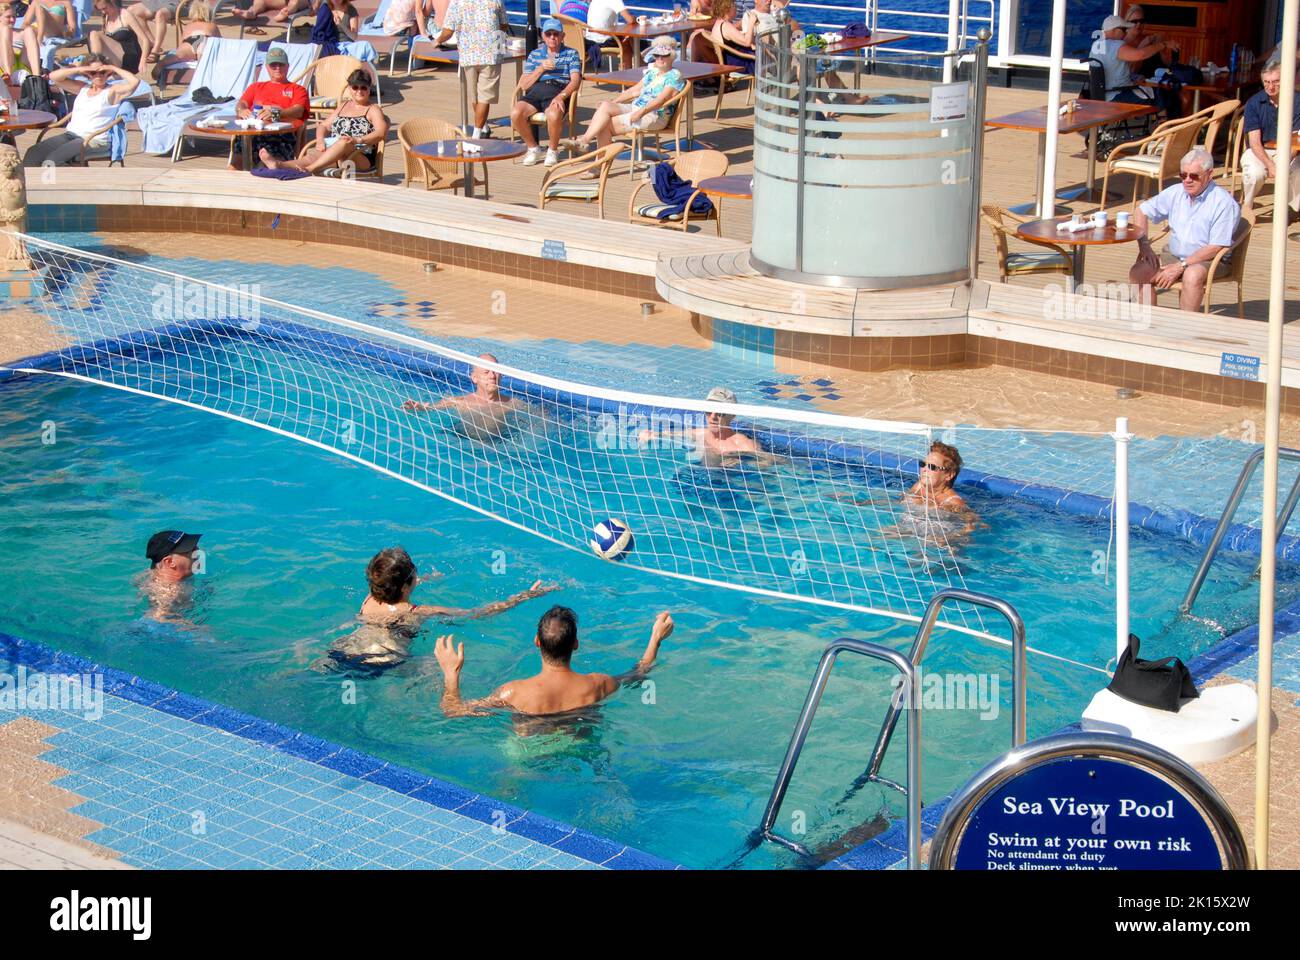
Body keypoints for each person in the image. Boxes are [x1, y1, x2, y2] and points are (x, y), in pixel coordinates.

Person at [325, 546, 560, 673]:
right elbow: (478, 613)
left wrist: (425, 579)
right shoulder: (417, 611)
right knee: (442, 668)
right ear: (406, 586)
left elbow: (390, 584)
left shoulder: (370, 598)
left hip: (345, 651)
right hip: (383, 662)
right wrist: (525, 595)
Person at [435, 605, 673, 717]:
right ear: (576, 644)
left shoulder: (513, 693)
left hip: (528, 757)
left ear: (537, 642)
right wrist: (655, 638)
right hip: (580, 747)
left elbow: (453, 711)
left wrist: (451, 674)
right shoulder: (598, 684)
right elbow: (640, 673)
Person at [1128, 146, 1240, 312]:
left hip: (1210, 260)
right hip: (1174, 255)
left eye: (1194, 176)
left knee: (1192, 275)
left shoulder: (1223, 203)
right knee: (1138, 272)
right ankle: (1149, 319)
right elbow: (1141, 211)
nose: (1187, 180)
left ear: (1209, 174)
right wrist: (1144, 247)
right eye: (1183, 175)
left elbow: (1215, 247)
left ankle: (1186, 323)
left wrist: (1181, 266)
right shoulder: (1176, 192)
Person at [560, 36, 684, 153]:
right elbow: (633, 91)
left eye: (664, 55)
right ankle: (584, 141)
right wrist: (613, 102)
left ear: (672, 56)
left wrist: (640, 112)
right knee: (605, 106)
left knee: (604, 125)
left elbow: (661, 100)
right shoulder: (653, 72)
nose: (660, 59)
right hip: (637, 107)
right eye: (657, 55)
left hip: (654, 115)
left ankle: (598, 161)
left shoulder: (674, 76)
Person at [260, 68, 386, 174]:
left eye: (363, 88)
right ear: (349, 88)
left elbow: (381, 132)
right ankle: (279, 165)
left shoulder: (373, 109)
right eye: (355, 87)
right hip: (336, 153)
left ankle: (310, 169)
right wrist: (320, 140)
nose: (359, 91)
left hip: (360, 156)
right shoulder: (344, 106)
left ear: (369, 89)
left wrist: (357, 140)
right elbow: (324, 126)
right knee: (311, 157)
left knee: (344, 142)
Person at [23, 56, 139, 166]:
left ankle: (60, 180)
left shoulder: (112, 91)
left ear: (108, 73)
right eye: (93, 72)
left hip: (93, 139)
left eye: (102, 72)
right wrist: (79, 69)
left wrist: (113, 68)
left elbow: (135, 82)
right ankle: (32, 180)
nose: (98, 75)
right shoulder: (82, 88)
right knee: (33, 153)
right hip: (70, 135)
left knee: (52, 160)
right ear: (88, 74)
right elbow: (53, 76)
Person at [429, 0, 507, 139]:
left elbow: (448, 31)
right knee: (484, 97)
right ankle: (478, 132)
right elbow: (504, 25)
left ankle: (482, 128)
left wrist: (437, 41)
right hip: (491, 53)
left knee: (475, 95)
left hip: (468, 54)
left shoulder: (456, 3)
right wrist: (499, 44)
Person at [512, 17, 580, 168]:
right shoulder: (535, 55)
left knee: (553, 114)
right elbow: (524, 84)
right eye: (548, 34)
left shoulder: (571, 53)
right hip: (537, 90)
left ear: (562, 36)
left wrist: (561, 96)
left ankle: (552, 150)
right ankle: (533, 148)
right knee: (516, 113)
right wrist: (541, 68)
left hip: (558, 89)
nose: (552, 37)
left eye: (556, 34)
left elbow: (575, 81)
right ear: (543, 36)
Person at [229, 46, 309, 171]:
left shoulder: (298, 89)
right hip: (251, 134)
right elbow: (241, 103)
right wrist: (241, 110)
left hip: (280, 136)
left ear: (287, 66)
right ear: (267, 67)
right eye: (273, 65)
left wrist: (276, 113)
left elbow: (298, 111)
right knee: (234, 167)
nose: (277, 68)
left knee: (266, 169)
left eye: (281, 64)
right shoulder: (256, 87)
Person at [1241, 58, 1300, 220]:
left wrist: (1282, 162)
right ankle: (1246, 208)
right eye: (1266, 82)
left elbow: (1296, 141)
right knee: (1254, 173)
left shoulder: (1297, 101)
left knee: (1297, 170)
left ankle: (1289, 209)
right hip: (1260, 149)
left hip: (1290, 150)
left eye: (1276, 82)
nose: (1271, 86)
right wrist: (1270, 164)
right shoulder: (1254, 103)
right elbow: (1254, 142)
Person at [1088, 13, 1166, 107]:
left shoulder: (1096, 44)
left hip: (1103, 95)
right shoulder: (1115, 45)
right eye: (1124, 30)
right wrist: (1163, 45)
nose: (1125, 33)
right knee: (1162, 96)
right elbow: (1141, 54)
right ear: (1114, 30)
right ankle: (1162, 116)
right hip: (1119, 95)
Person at [136, 529, 203, 622]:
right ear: (169, 562)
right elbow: (157, 618)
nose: (197, 550)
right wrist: (192, 628)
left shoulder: (149, 573)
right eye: (190, 550)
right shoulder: (170, 592)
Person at [151, 0, 218, 82]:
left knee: (176, 57)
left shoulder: (189, 26)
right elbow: (219, 42)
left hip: (189, 42)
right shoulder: (212, 26)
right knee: (203, 59)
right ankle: (201, 71)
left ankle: (160, 65)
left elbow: (182, 43)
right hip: (204, 40)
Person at [86, 0, 149, 74]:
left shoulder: (125, 15)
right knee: (91, 37)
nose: (103, 12)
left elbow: (145, 40)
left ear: (112, 2)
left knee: (94, 34)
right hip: (116, 59)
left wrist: (143, 60)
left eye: (105, 8)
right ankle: (97, 67)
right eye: (100, 10)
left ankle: (95, 68)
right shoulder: (106, 17)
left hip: (131, 57)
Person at [18, 0, 76, 73]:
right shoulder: (36, 1)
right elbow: (26, 22)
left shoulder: (65, 2)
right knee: (29, 30)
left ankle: (39, 39)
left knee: (39, 9)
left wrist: (67, 32)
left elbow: (72, 27)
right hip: (37, 29)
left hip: (54, 30)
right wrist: (21, 33)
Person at [125, 0, 179, 65]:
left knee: (160, 14)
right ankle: (152, 44)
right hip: (157, 2)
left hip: (175, 3)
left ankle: (156, 49)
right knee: (132, 11)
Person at [583, 0, 631, 71]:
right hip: (602, 41)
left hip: (589, 40)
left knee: (627, 39)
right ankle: (627, 72)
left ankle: (633, 66)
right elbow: (630, 19)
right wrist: (636, 19)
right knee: (627, 43)